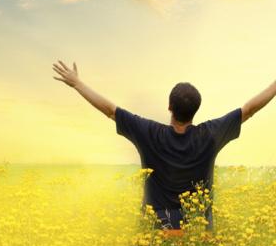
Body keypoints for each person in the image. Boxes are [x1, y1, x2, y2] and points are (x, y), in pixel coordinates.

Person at [52, 59, 276, 231]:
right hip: (197, 229)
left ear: (169, 106)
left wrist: (77, 83)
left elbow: (110, 110)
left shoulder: (149, 133)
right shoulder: (210, 135)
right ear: (196, 110)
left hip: (157, 228)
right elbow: (249, 110)